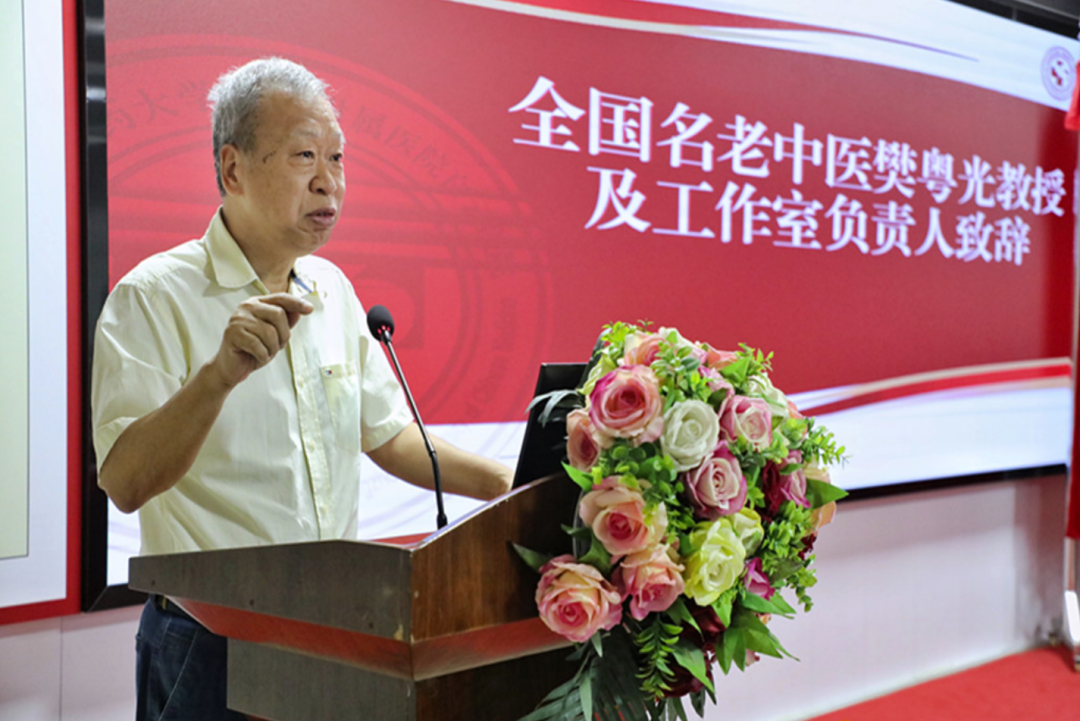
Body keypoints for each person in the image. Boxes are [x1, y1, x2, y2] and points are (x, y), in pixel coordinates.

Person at [91, 57, 513, 721]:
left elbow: (389, 436)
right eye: (304, 155)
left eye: (337, 158)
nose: (328, 181)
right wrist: (218, 377)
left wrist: (511, 485)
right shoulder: (154, 296)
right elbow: (125, 480)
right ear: (233, 169)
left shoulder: (332, 290)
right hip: (210, 640)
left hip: (330, 629)